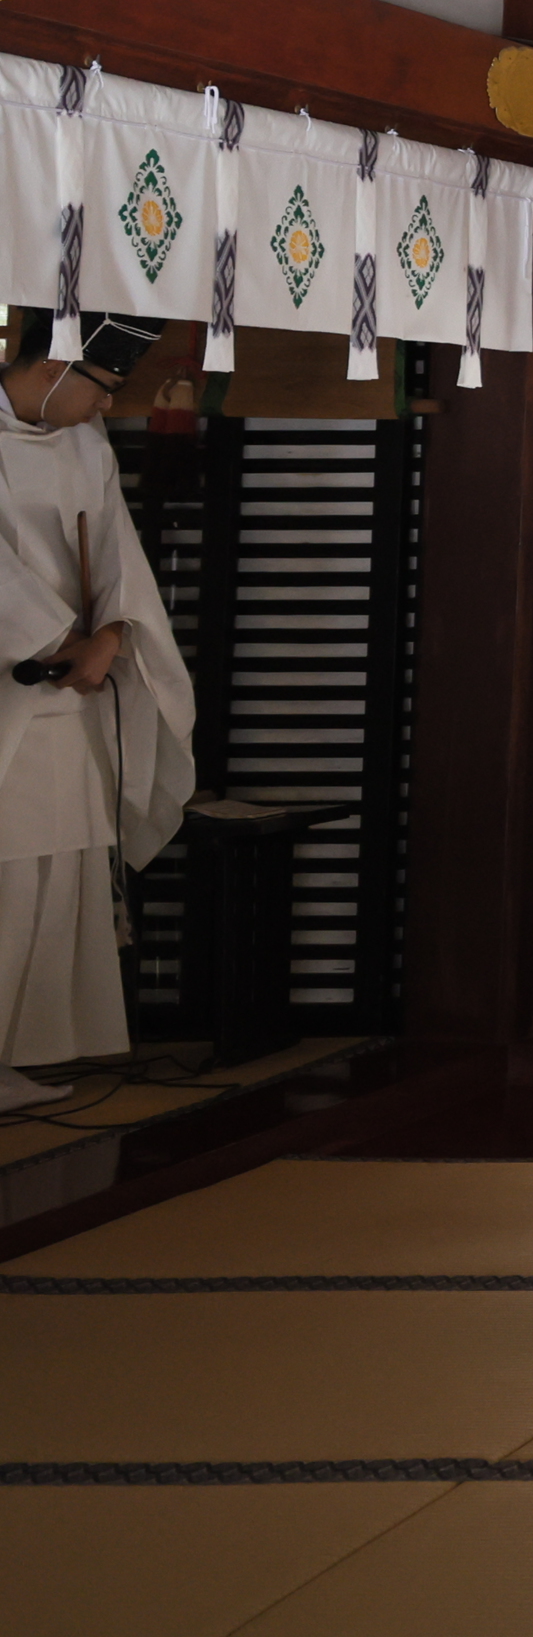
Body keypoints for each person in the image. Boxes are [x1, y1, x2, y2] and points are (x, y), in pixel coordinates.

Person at [0, 315, 195, 1113]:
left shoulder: (84, 446)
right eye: (102, 388)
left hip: (68, 699)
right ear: (52, 367)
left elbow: (119, 554)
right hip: (16, 688)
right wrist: (55, 639)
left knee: (57, 868)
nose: (105, 409)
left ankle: (15, 1051)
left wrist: (111, 637)